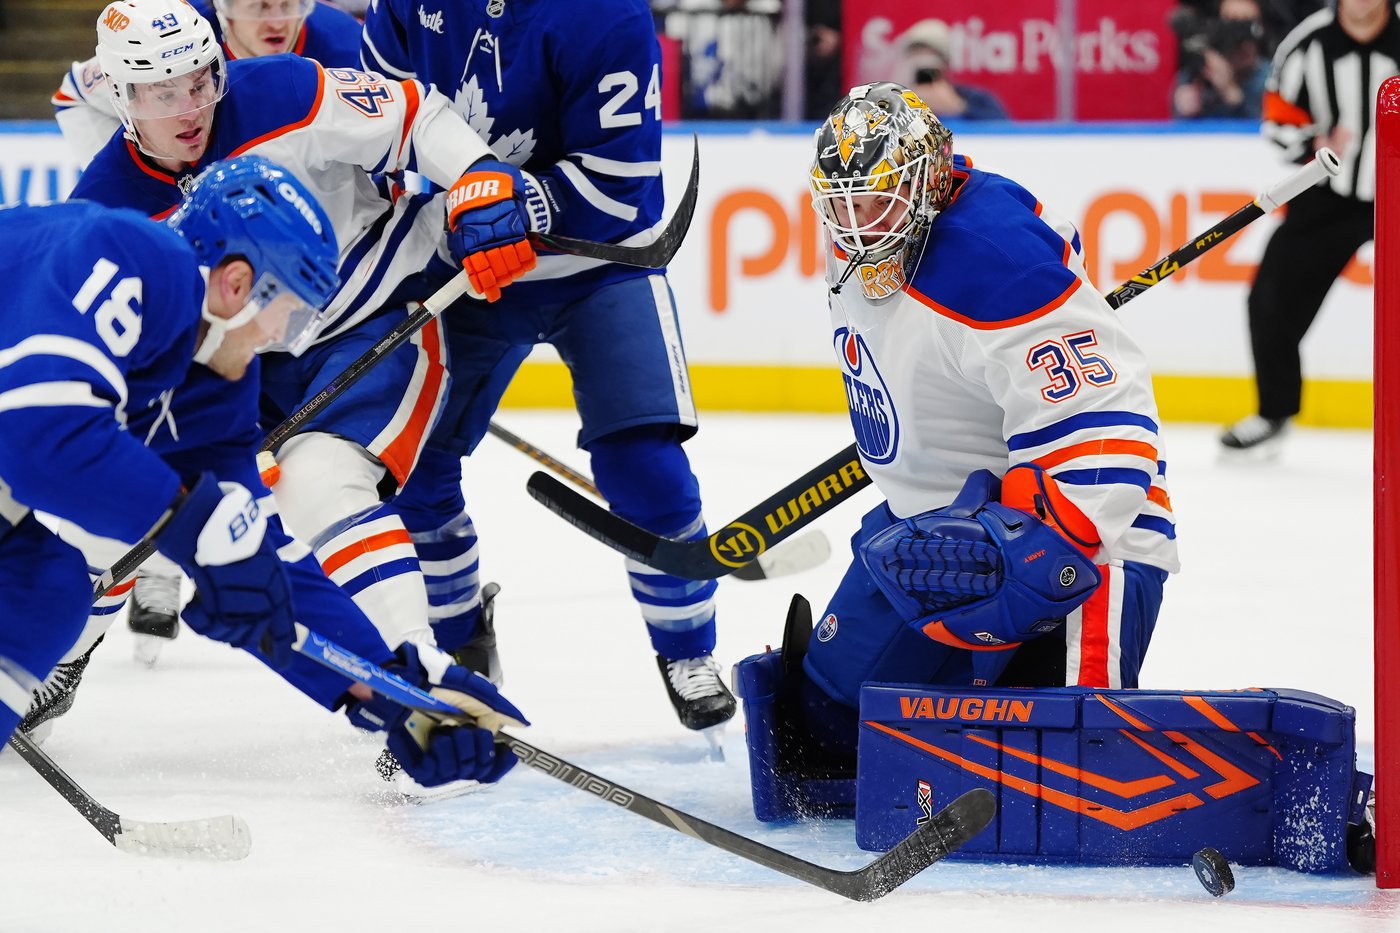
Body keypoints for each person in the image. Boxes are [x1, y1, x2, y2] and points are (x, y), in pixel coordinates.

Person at [0, 156, 522, 789]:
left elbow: (258, 563)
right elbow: (41, 441)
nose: (285, 338)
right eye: (293, 313)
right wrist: (190, 522)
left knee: (42, 591)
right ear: (237, 283)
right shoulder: (130, 255)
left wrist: (387, 688)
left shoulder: (214, 389)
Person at [69, 0, 530, 684]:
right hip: (242, 362)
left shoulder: (283, 89)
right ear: (124, 96)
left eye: (201, 82)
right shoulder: (105, 213)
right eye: (165, 94)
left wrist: (479, 172)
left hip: (373, 316)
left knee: (322, 482)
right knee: (112, 512)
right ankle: (53, 663)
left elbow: (413, 115)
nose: (192, 108)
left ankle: (418, 667)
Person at [734, 80, 1179, 789]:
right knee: (827, 724)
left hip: (1074, 544)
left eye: (874, 201)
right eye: (840, 204)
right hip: (931, 529)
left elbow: (1109, 422)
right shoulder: (866, 239)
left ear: (928, 182)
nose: (857, 225)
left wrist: (1050, 553)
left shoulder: (994, 260)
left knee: (1060, 778)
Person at [360, 0, 737, 733]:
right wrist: (439, 211)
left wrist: (515, 202)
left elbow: (622, 180)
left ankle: (688, 651)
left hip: (600, 266)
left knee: (645, 468)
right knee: (412, 468)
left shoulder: (605, 14)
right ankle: (460, 646)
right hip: (460, 265)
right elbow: (378, 119)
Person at [52, 0, 362, 660]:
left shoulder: (333, 42)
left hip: (273, 276)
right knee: (153, 455)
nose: (274, 15)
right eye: (256, 4)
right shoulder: (162, 32)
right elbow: (74, 93)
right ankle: (102, 614)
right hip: (182, 272)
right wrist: (142, 191)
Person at [1220, 0, 1400, 454]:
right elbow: (1277, 120)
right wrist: (1313, 142)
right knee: (1270, 302)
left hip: (1397, 194)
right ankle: (1274, 412)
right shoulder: (1306, 43)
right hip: (1328, 198)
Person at [54, 0, 362, 168]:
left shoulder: (345, 43)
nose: (278, 22)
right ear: (223, 7)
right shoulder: (174, 37)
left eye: (287, 5)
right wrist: (132, 179)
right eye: (260, 7)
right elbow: (73, 95)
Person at [1170, 0, 1271, 119]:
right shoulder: (1199, 73)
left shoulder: (1273, 80)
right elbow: (1178, 124)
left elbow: (1273, 126)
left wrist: (1231, 92)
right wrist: (1185, 110)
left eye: (1249, 24)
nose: (1242, 39)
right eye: (1232, 24)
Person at [899, 19, 1009, 122]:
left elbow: (1002, 130)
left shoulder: (977, 100)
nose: (923, 62)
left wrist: (959, 108)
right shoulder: (896, 102)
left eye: (931, 56)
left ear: (946, 62)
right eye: (916, 54)